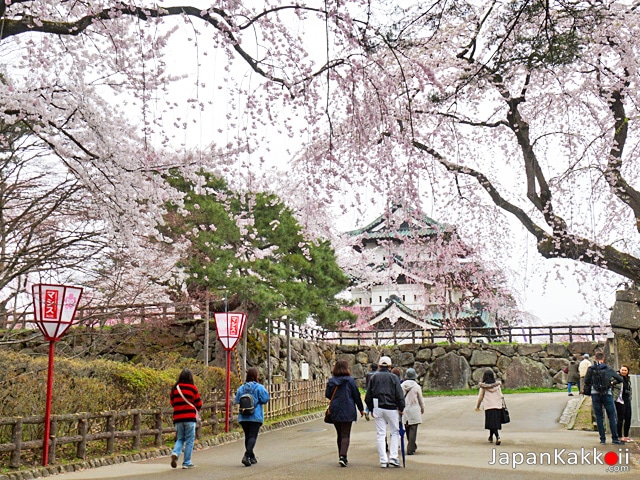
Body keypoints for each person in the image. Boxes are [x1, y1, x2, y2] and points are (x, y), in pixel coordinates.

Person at [365, 355, 405, 468]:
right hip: (392, 408)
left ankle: (383, 460)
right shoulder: (394, 378)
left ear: (379, 365)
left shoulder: (374, 378)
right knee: (394, 432)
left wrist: (371, 408)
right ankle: (393, 457)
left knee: (380, 434)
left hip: (378, 408)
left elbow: (368, 396)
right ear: (390, 366)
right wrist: (401, 408)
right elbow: (399, 395)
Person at [325, 360, 365, 467]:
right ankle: (343, 456)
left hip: (335, 409)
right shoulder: (350, 381)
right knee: (345, 434)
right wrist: (361, 409)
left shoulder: (331, 381)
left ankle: (341, 456)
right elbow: (356, 395)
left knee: (339, 434)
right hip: (348, 409)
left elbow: (328, 395)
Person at [583, 351, 624, 445]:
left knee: (599, 416)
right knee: (612, 416)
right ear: (603, 359)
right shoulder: (608, 369)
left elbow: (586, 381)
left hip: (595, 394)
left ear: (595, 359)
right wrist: (611, 383)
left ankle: (602, 439)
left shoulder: (591, 369)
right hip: (607, 394)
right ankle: (614, 439)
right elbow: (620, 379)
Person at [235, 367, 270, 466]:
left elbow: (237, 400)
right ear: (256, 376)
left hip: (243, 416)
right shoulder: (259, 387)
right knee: (252, 436)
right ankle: (246, 455)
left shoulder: (242, 388)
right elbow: (265, 399)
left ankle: (252, 457)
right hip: (255, 416)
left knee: (247, 436)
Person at [170, 368, 202, 469]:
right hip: (190, 418)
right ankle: (187, 462)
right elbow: (199, 403)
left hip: (178, 417)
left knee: (180, 438)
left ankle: (175, 453)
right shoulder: (193, 388)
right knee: (189, 440)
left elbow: (172, 402)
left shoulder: (175, 388)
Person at [475, 369, 504, 445]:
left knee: (492, 422)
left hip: (489, 406)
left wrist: (477, 406)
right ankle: (491, 436)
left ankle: (498, 437)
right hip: (497, 406)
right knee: (494, 423)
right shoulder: (497, 385)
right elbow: (501, 395)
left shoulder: (483, 386)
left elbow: (481, 396)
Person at [401, 368, 424, 455]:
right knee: (413, 429)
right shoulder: (417, 387)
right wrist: (422, 408)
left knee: (407, 428)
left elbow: (400, 397)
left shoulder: (402, 386)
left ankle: (412, 445)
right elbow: (420, 399)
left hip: (405, 409)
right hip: (414, 409)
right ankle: (410, 448)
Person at [614, 365, 633, 443]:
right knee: (620, 418)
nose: (623, 372)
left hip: (627, 399)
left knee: (628, 417)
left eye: (625, 370)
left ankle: (626, 435)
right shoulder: (617, 377)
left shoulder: (628, 379)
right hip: (619, 400)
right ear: (620, 370)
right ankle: (619, 436)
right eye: (622, 370)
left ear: (627, 371)